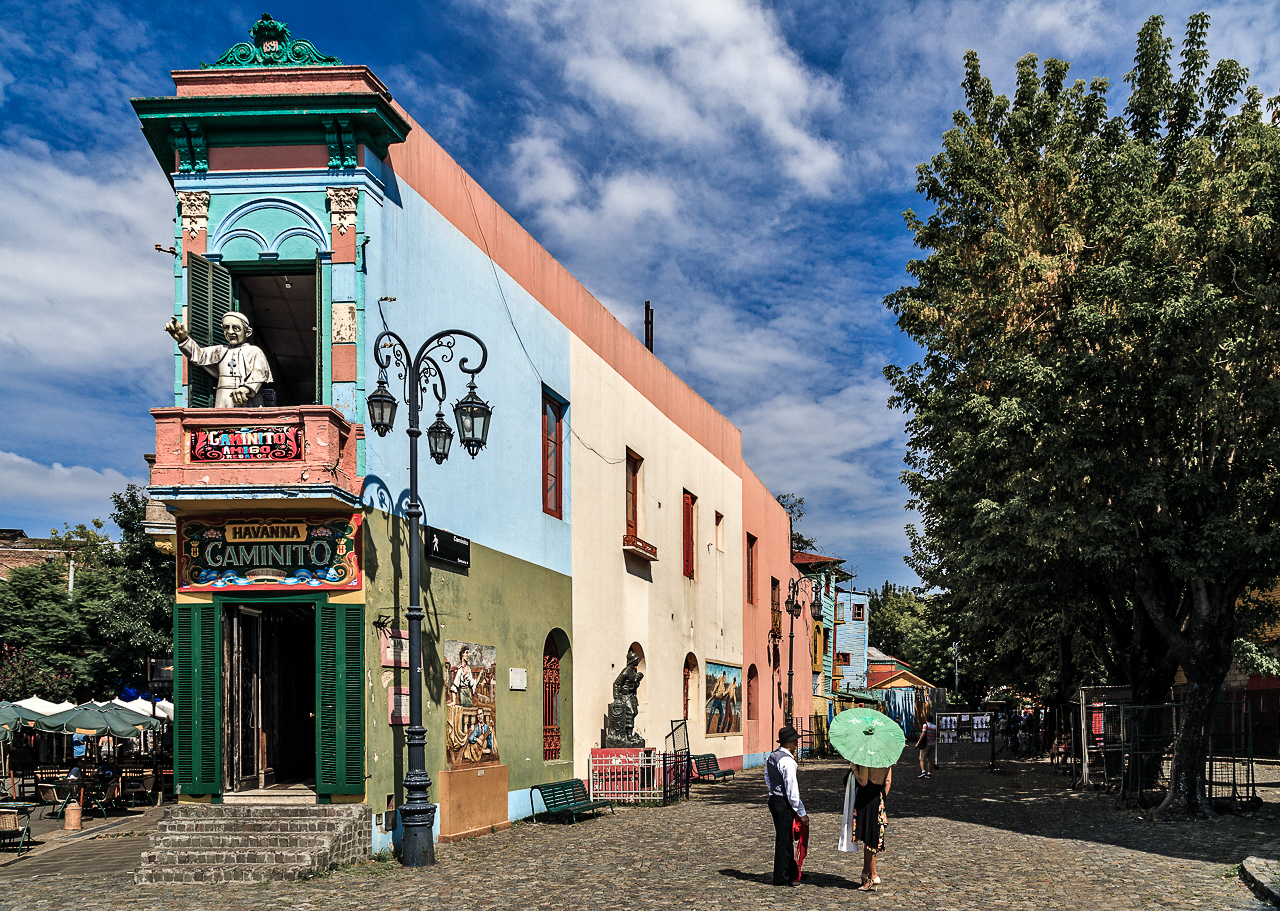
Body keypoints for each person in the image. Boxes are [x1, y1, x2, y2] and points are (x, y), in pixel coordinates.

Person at [165, 312, 273, 408]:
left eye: (235, 328)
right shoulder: (220, 350)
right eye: (226, 328)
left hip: (248, 399)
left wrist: (246, 388)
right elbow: (199, 356)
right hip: (224, 397)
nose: (230, 332)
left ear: (248, 332)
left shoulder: (254, 351)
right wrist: (183, 339)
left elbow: (259, 373)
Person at [764, 725, 807, 886]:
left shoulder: (772, 756)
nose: (796, 745)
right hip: (783, 802)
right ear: (789, 743)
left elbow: (767, 777)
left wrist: (773, 790)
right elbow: (792, 789)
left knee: (786, 837)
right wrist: (801, 812)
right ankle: (781, 876)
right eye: (795, 742)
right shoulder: (787, 761)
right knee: (784, 839)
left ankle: (791, 871)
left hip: (774, 799)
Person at [851, 763, 892, 889]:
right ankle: (865, 872)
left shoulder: (867, 757)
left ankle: (873, 876)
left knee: (870, 838)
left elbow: (863, 781)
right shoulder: (886, 758)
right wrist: (881, 798)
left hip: (866, 798)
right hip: (878, 796)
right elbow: (888, 782)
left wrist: (853, 767)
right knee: (872, 836)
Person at [917, 711, 937, 778]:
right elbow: (935, 736)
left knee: (922, 758)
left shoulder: (925, 725)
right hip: (932, 744)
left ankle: (923, 772)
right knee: (930, 760)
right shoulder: (934, 727)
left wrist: (918, 742)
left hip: (926, 744)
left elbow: (923, 734)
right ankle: (929, 773)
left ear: (926, 720)